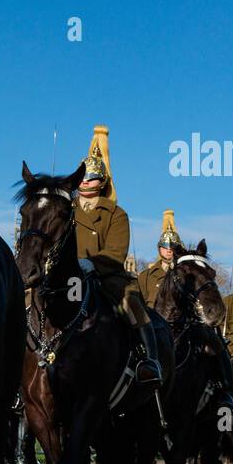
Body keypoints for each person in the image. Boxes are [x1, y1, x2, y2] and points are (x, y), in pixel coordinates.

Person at [72, 125, 160, 384]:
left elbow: (116, 252)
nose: (86, 181)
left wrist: (89, 264)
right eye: (83, 176)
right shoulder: (64, 209)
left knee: (133, 305)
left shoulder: (116, 214)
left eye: (92, 177)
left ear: (103, 182)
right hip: (66, 273)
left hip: (105, 275)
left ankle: (148, 360)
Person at [137, 209, 179, 307]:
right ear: (159, 248)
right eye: (165, 247)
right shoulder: (146, 276)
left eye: (173, 247)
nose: (169, 250)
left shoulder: (186, 274)